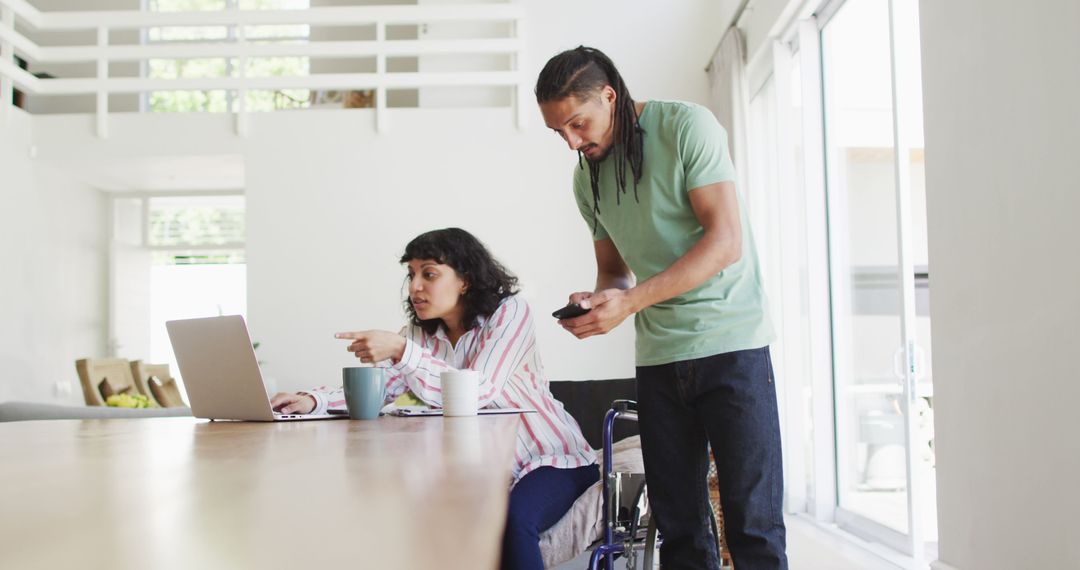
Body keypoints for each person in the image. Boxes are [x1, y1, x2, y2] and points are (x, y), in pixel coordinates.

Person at [536, 46, 787, 569]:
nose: (572, 143)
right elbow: (615, 271)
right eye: (559, 132)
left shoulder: (687, 127)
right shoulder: (588, 178)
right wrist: (601, 298)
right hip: (658, 359)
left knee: (753, 526)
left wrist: (629, 301)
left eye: (578, 125)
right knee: (678, 529)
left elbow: (725, 242)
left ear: (610, 97)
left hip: (732, 346)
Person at [269, 227, 597, 570]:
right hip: (482, 469)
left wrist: (402, 351)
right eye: (411, 274)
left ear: (465, 281)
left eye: (429, 274)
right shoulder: (417, 335)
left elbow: (479, 390)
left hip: (553, 459)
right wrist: (311, 400)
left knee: (514, 522)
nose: (414, 287)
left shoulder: (510, 313)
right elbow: (384, 389)